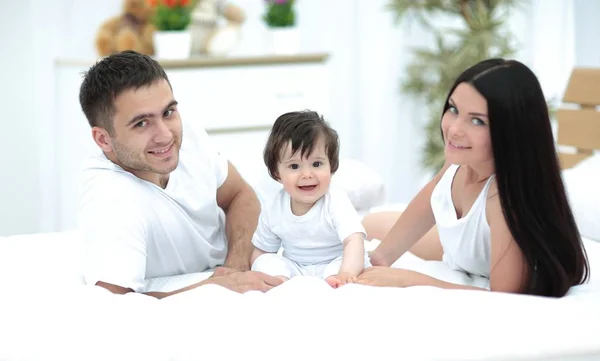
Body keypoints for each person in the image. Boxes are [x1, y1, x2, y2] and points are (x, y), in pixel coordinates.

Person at [358, 58, 590, 297]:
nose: (455, 129)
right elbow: (431, 196)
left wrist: (408, 279)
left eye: (477, 120)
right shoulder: (462, 159)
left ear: (511, 131)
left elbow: (503, 295)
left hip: (480, 257)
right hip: (459, 251)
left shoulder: (503, 199)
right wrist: (379, 258)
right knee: (369, 223)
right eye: (453, 109)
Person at [77, 50, 283, 298]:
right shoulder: (110, 200)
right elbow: (115, 304)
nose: (165, 135)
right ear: (103, 139)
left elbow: (239, 194)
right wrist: (215, 289)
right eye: (141, 123)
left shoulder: (189, 137)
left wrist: (235, 266)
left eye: (168, 112)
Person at [250, 110, 370, 288]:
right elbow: (262, 250)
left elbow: (354, 240)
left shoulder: (335, 200)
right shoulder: (274, 207)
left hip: (335, 263)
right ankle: (281, 282)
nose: (307, 174)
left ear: (331, 166)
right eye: (294, 166)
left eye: (316, 164)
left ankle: (336, 281)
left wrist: (347, 272)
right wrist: (261, 270)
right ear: (277, 173)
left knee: (351, 261)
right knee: (265, 261)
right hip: (295, 267)